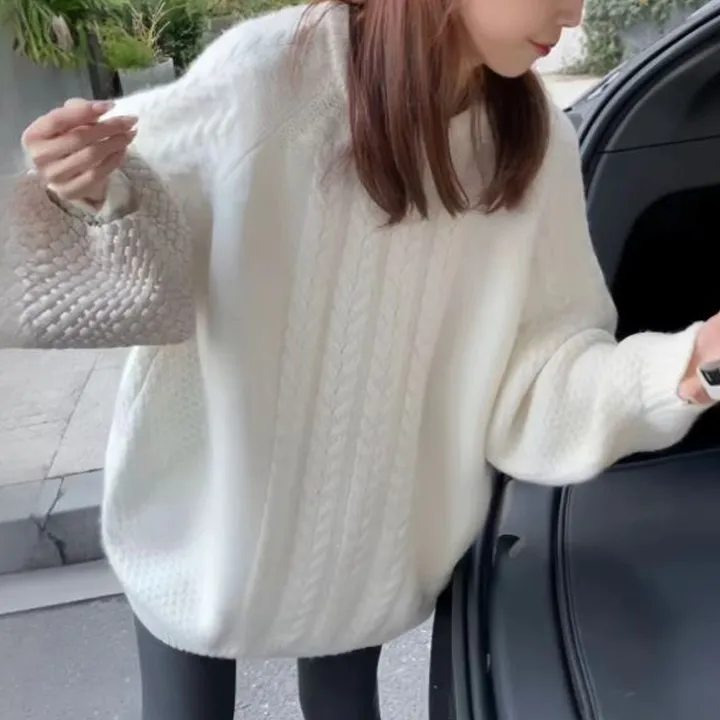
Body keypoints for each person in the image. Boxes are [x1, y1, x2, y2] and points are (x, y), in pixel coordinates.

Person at [3, 0, 719, 717]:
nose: (573, 13)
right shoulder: (273, 75)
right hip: (199, 522)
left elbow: (537, 383)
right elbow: (140, 209)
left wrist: (689, 368)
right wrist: (86, 183)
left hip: (364, 549)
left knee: (344, 703)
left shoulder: (530, 143)